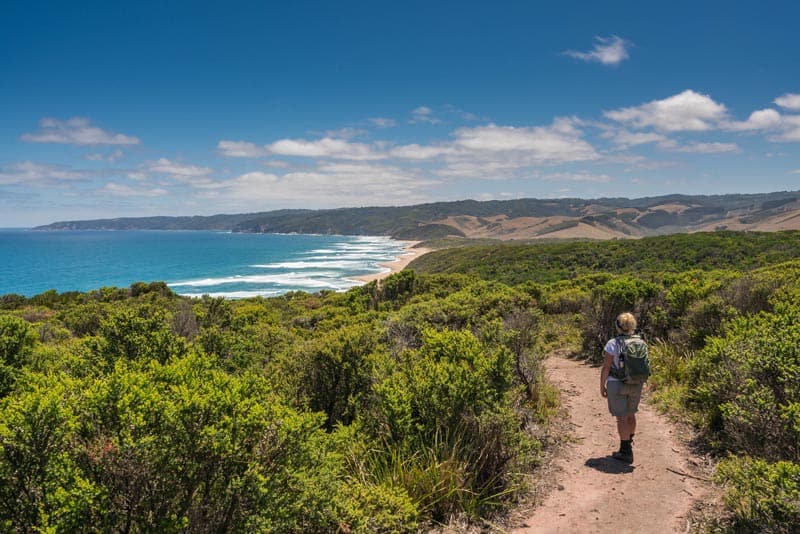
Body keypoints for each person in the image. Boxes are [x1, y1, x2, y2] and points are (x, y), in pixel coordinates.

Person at [600, 312, 645, 463]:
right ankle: (629, 441)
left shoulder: (613, 343)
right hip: (636, 383)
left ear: (618, 326)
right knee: (631, 414)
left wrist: (602, 385)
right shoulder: (640, 342)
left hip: (617, 383)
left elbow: (606, 367)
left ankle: (625, 450)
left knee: (621, 418)